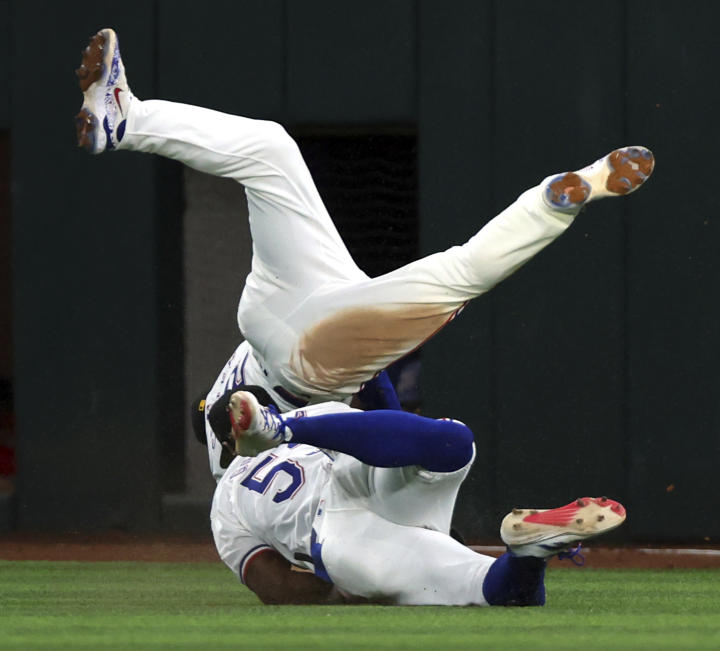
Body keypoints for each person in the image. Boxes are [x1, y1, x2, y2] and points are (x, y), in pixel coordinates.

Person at [75, 28, 655, 481]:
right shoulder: (249, 471)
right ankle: (127, 119)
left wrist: (411, 440)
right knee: (271, 150)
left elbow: (243, 437)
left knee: (456, 276)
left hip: (298, 360)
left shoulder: (243, 475)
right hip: (279, 320)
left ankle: (556, 202)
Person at [210, 389, 626, 606]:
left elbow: (274, 586)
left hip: (344, 542)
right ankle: (528, 552)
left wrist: (345, 594)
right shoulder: (314, 412)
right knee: (452, 440)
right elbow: (387, 434)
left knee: (499, 594)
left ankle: (528, 555)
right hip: (352, 481)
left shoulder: (225, 499)